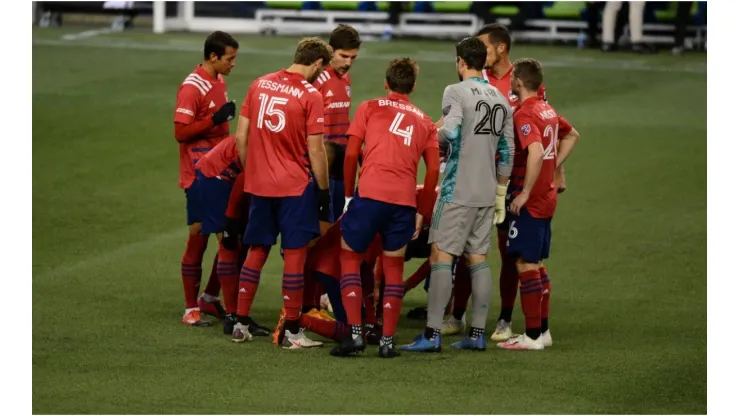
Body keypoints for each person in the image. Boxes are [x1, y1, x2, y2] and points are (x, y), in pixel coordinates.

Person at [401, 37, 514, 353]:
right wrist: (501, 194)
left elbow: (449, 133)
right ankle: (477, 334)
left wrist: (425, 134)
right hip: (487, 191)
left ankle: (432, 334)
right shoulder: (501, 99)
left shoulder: (456, 92)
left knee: (441, 254)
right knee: (478, 259)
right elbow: (507, 151)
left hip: (456, 188)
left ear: (461, 62)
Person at [331, 58, 441, 358]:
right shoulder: (426, 122)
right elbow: (432, 172)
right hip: (403, 203)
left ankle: (355, 334)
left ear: (386, 82)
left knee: (350, 258)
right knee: (393, 268)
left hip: (369, 197)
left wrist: (348, 196)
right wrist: (423, 210)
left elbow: (351, 154)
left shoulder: (368, 108)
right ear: (413, 87)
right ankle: (388, 342)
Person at [231, 37, 333, 349]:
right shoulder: (310, 94)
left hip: (260, 186)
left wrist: (254, 172)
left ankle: (240, 321)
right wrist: (324, 191)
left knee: (257, 250)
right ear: (316, 64)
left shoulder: (259, 84)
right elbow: (316, 150)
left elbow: (240, 137)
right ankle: (290, 331)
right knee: (294, 254)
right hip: (293, 187)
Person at [497, 58, 579, 350]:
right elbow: (572, 135)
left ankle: (531, 336)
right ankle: (542, 331)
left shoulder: (525, 113)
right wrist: (553, 164)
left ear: (518, 81)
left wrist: (524, 192)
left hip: (530, 201)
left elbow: (533, 151)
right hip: (548, 197)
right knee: (536, 263)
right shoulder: (548, 109)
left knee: (524, 263)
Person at [173, 31, 239, 326]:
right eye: (230, 58)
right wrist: (214, 120)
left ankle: (210, 299)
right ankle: (191, 309)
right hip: (199, 174)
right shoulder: (192, 87)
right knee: (200, 239)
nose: (233, 64)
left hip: (222, 172)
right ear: (214, 56)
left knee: (230, 238)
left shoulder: (219, 81)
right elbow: (180, 133)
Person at [193, 137, 271, 337]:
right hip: (216, 179)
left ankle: (211, 299)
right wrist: (230, 217)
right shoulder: (264, 140)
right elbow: (244, 175)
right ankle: (232, 315)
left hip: (234, 180)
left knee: (241, 242)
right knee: (229, 244)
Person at [313, 24, 361, 222]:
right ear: (330, 50)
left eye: (353, 57)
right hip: (321, 162)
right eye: (343, 56)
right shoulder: (317, 79)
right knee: (318, 225)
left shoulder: (345, 77)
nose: (348, 62)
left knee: (336, 222)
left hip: (340, 163)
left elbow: (342, 117)